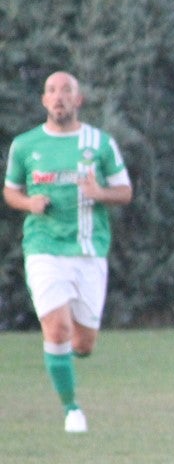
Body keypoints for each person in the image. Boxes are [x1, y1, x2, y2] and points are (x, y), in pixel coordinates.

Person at [4, 71, 133, 433]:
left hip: (89, 251)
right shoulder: (26, 145)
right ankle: (71, 409)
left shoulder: (100, 143)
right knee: (57, 328)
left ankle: (60, 356)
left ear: (78, 100)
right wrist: (29, 203)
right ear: (44, 101)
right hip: (43, 248)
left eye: (66, 91)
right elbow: (11, 191)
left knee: (84, 343)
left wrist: (100, 194)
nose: (58, 97)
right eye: (51, 91)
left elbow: (124, 192)